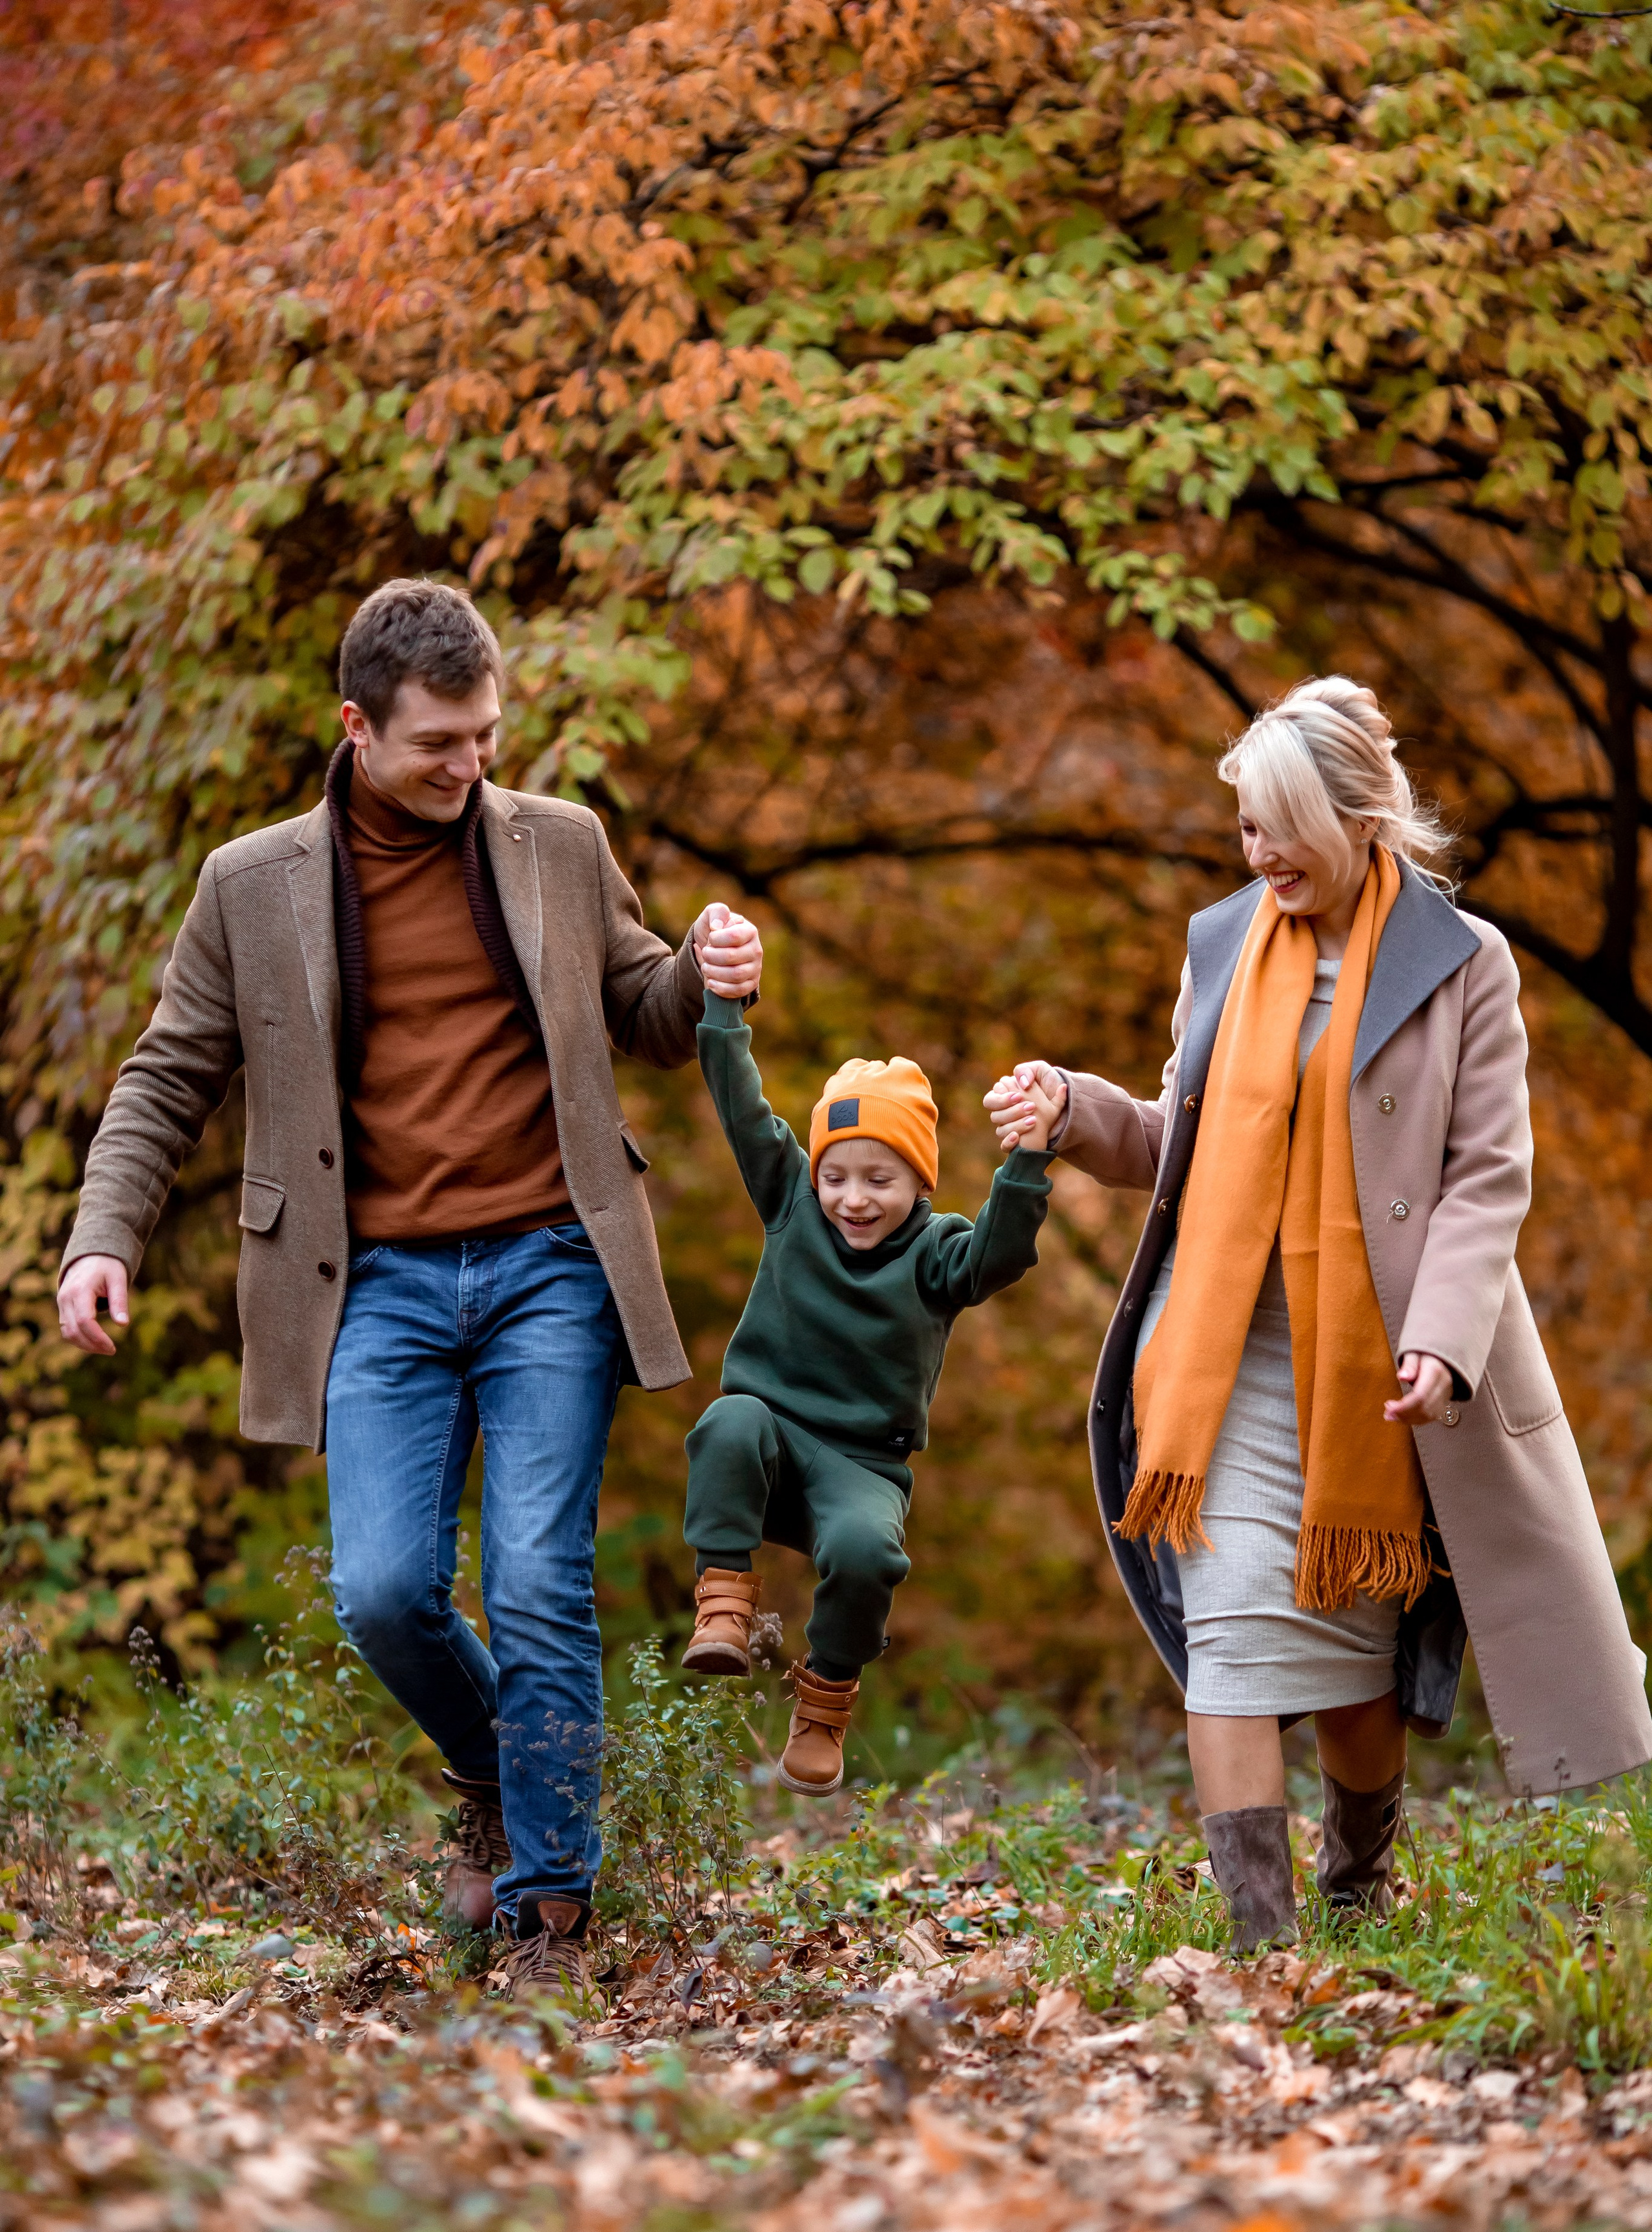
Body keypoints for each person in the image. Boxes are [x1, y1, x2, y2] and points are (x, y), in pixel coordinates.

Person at [55, 578, 764, 1993]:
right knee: (383, 1589)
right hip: (368, 1280)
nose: (470, 765)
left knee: (538, 1580)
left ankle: (549, 1918)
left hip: (551, 1261)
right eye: (439, 742)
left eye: (485, 735)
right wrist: (101, 1235)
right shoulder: (250, 887)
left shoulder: (556, 844)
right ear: (357, 728)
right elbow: (167, 1074)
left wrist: (700, 969)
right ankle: (497, 1773)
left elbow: (641, 1005)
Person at [988, 675, 1652, 1949]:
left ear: (1360, 818)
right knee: (1231, 1646)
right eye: (1246, 829)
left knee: (1351, 1682)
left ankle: (1355, 1889)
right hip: (1221, 1356)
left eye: (1281, 829)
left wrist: (1441, 1342)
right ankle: (1259, 1952)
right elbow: (1167, 1143)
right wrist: (1072, 1108)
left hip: (1374, 1369)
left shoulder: (1463, 966)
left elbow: (1483, 1177)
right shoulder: (1224, 944)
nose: (1260, 856)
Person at [679, 989, 1062, 1793]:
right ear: (814, 1175)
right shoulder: (791, 1204)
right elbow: (742, 1108)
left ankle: (822, 1704)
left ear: (918, 1182)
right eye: (838, 1176)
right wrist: (722, 1009)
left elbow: (999, 1255)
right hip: (771, 1442)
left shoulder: (935, 1252)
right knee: (726, 1419)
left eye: (880, 1179)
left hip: (861, 1465)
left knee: (868, 1553)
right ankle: (722, 1602)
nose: (854, 1199)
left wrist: (1026, 1159)